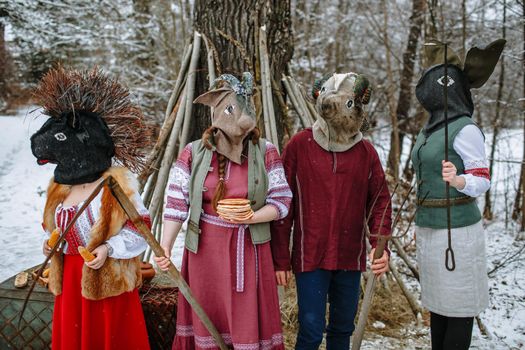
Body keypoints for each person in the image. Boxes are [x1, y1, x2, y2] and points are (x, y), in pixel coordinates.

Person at [154, 73, 292, 350]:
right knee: (208, 316)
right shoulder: (193, 153)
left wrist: (252, 216)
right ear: (217, 113)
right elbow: (176, 203)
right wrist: (165, 247)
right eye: (232, 110)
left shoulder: (265, 152)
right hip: (205, 252)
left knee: (246, 321)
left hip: (250, 250)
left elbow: (282, 200)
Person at [31, 66, 151, 350]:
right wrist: (50, 246)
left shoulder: (117, 185)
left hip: (107, 282)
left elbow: (140, 227)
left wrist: (108, 249)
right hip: (70, 283)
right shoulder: (59, 187)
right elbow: (51, 227)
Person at [271, 72, 391, 350]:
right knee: (311, 329)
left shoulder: (366, 152)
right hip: (310, 254)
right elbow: (282, 204)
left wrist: (380, 245)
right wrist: (280, 259)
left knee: (342, 329)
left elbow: (380, 202)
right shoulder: (300, 146)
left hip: (350, 256)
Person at [411, 39, 505, 350]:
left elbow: (482, 178)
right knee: (438, 306)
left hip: (458, 233)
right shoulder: (429, 131)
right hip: (429, 229)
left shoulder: (466, 129)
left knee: (459, 307)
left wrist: (460, 180)